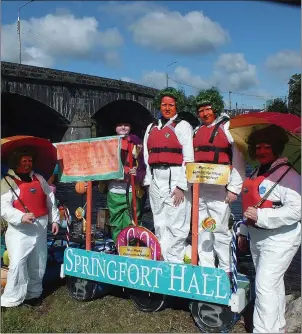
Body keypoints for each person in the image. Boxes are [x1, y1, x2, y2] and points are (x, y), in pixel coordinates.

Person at [238, 125, 301, 333]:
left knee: (264, 285)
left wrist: (263, 216)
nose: (262, 151)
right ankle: (278, 326)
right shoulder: (258, 171)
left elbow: (297, 210)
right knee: (273, 284)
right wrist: (244, 232)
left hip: (280, 239)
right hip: (258, 237)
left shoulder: (288, 175)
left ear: (277, 147)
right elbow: (250, 205)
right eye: (258, 147)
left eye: (267, 146)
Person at [193, 91, 245, 274]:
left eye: (208, 109)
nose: (205, 113)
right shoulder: (197, 130)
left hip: (220, 190)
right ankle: (206, 268)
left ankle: (226, 270)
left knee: (221, 231)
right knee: (201, 231)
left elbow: (239, 160)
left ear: (214, 107)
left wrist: (234, 189)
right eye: (201, 110)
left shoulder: (227, 127)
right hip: (200, 190)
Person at [1, 147, 60, 308]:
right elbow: (3, 207)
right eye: (24, 161)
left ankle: (34, 294)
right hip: (20, 231)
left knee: (38, 262)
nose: (27, 164)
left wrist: (55, 220)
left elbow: (50, 199)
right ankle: (11, 299)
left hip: (40, 229)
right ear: (16, 162)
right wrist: (21, 216)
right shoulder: (8, 182)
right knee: (18, 263)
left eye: (30, 161)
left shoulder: (39, 178)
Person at [143, 87, 194, 263]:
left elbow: (189, 158)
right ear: (159, 105)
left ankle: (175, 261)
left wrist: (182, 185)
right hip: (156, 178)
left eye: (171, 105)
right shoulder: (151, 127)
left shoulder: (183, 126)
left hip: (175, 177)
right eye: (164, 104)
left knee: (177, 223)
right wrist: (149, 181)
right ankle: (162, 257)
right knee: (159, 221)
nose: (167, 108)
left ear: (176, 106)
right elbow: (146, 156)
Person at [107, 121, 146, 242]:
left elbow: (144, 164)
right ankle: (118, 246)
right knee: (115, 222)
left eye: (126, 125)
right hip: (114, 189)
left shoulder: (137, 143)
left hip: (132, 189)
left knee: (132, 221)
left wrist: (137, 172)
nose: (123, 127)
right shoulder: (107, 143)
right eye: (119, 124)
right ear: (114, 127)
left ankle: (131, 249)